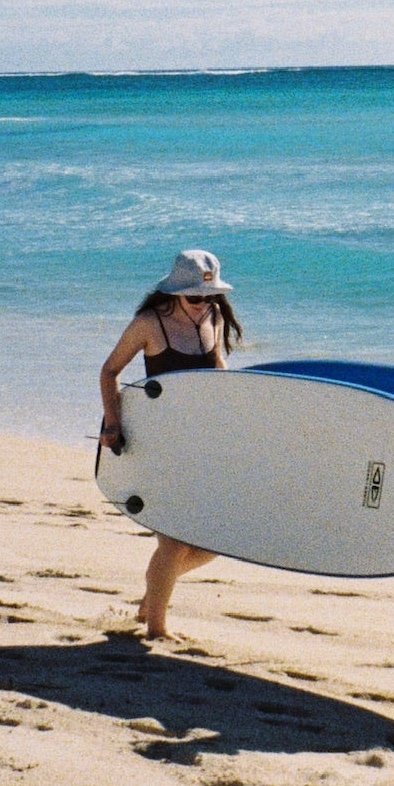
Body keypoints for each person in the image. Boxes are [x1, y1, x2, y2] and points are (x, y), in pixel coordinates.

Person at [98, 249, 243, 640]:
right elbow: (110, 371)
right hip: (159, 446)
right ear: (176, 292)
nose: (203, 303)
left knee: (212, 542)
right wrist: (113, 422)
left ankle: (152, 597)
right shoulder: (149, 324)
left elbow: (218, 375)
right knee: (174, 540)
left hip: (200, 444)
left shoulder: (213, 317)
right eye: (195, 296)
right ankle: (156, 629)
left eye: (210, 295)